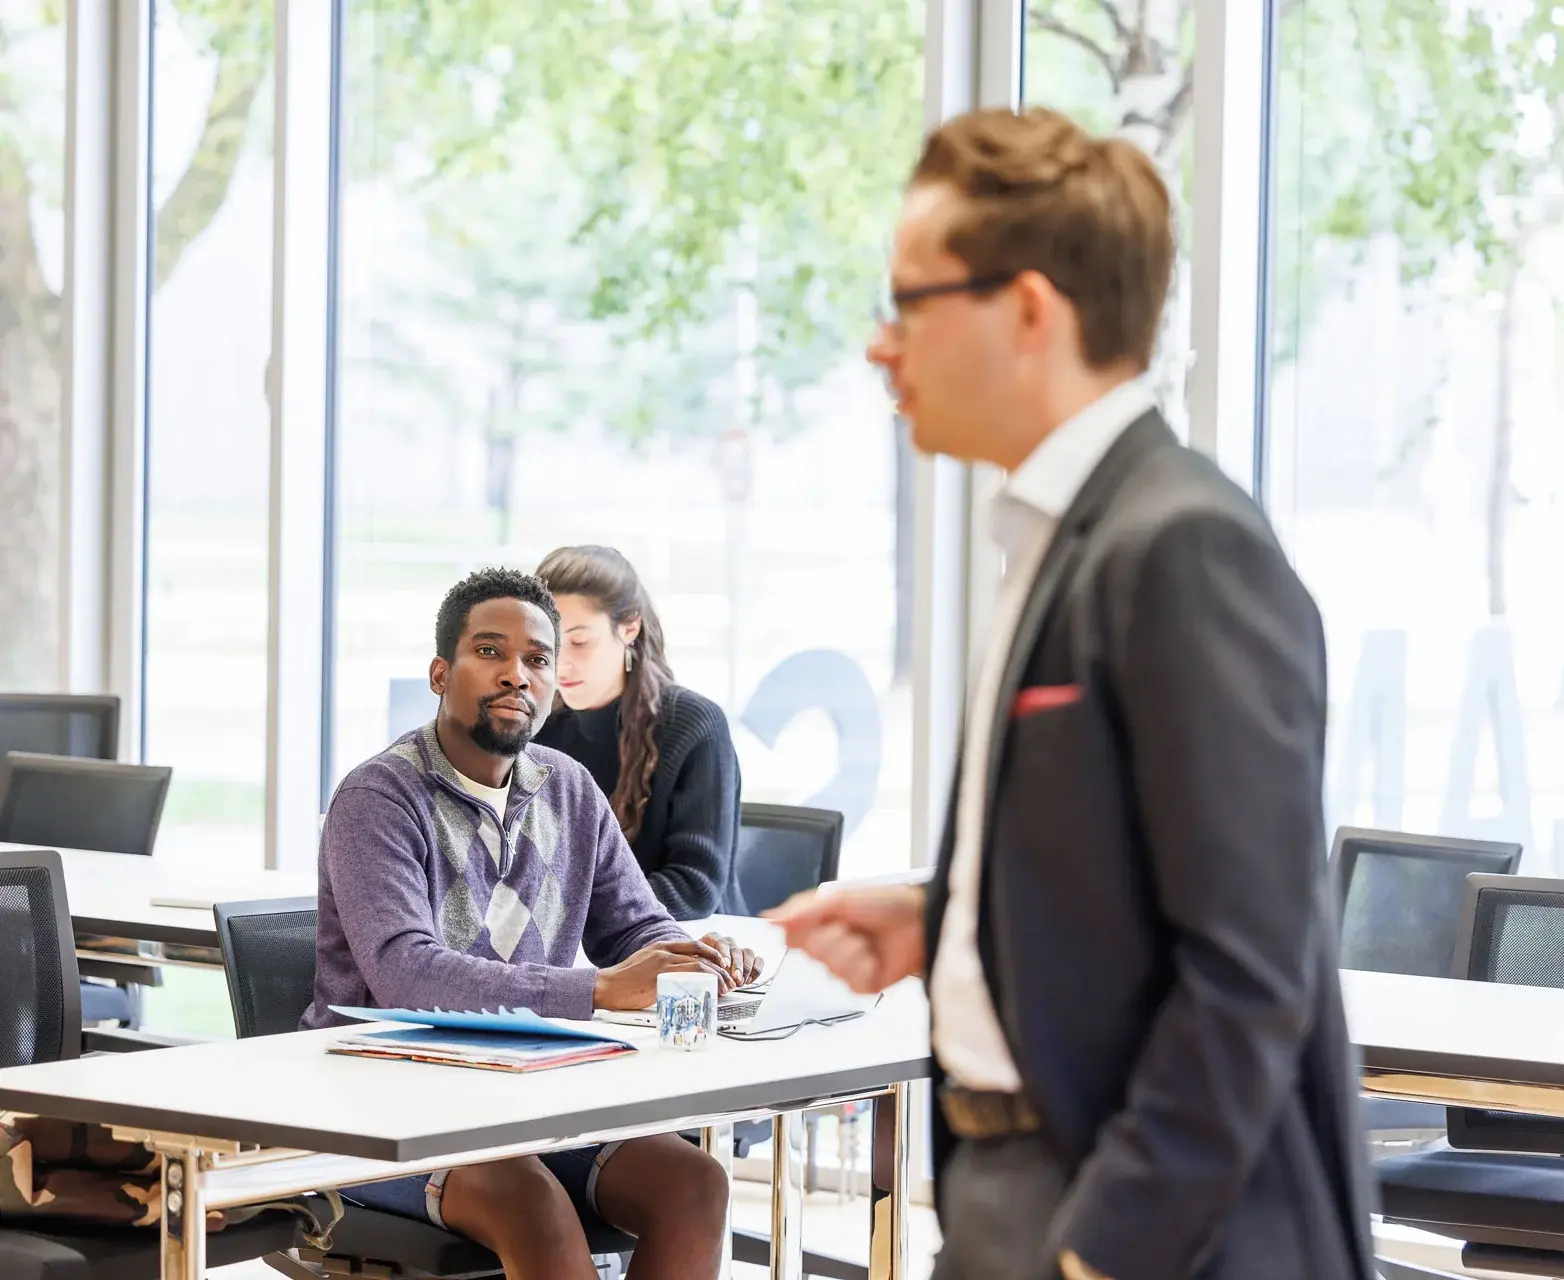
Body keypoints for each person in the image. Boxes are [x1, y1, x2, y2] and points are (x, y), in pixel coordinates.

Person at [768, 108, 1376, 1280]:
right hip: (1013, 1187)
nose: (879, 346)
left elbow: (1250, 969)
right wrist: (952, 918)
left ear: (1029, 310)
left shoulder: (1181, 543)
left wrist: (1104, 1251)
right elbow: (1123, 861)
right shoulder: (1057, 535)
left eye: (910, 301)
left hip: (1144, 1223)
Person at [303, 566, 759, 1280]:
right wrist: (600, 990)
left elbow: (634, 926)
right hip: (379, 1112)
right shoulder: (378, 796)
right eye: (490, 652)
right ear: (438, 673)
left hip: (526, 1100)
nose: (517, 674)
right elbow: (404, 973)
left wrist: (685, 955)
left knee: (693, 1183)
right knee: (531, 1206)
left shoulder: (569, 790)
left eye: (538, 659)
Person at [532, 545, 746, 918]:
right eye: (548, 643)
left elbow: (694, 888)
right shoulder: (539, 726)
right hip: (585, 955)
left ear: (629, 626)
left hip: (695, 950)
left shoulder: (694, 724)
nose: (560, 662)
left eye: (579, 641)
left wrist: (562, 910)